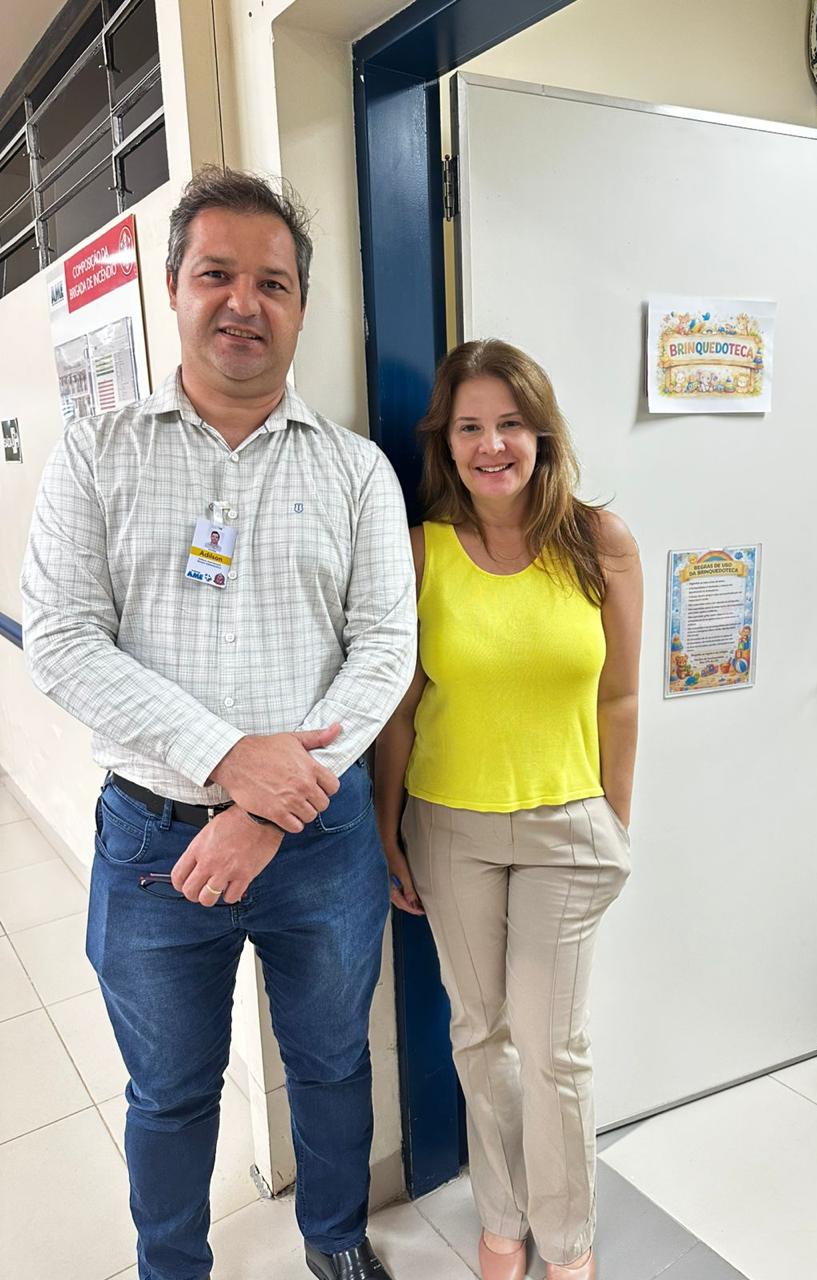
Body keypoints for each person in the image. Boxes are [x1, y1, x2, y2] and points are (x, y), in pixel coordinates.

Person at [21, 167, 416, 1280]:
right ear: (174, 289)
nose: (244, 302)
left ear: (301, 305)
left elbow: (386, 647)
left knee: (331, 1060)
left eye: (273, 283)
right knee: (171, 1088)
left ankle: (335, 1239)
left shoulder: (355, 470)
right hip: (154, 841)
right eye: (217, 275)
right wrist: (230, 761)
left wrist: (271, 807)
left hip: (321, 840)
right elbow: (60, 637)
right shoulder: (99, 451)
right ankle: (173, 1267)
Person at [375, 340, 642, 1280]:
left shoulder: (601, 543)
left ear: (542, 433)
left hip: (568, 828)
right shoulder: (422, 553)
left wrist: (614, 818)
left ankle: (568, 1242)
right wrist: (387, 829)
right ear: (446, 444)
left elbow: (619, 697)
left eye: (510, 424)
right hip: (450, 826)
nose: (492, 445)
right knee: (479, 1034)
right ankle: (501, 1220)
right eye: (470, 427)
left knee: (553, 1048)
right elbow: (401, 708)